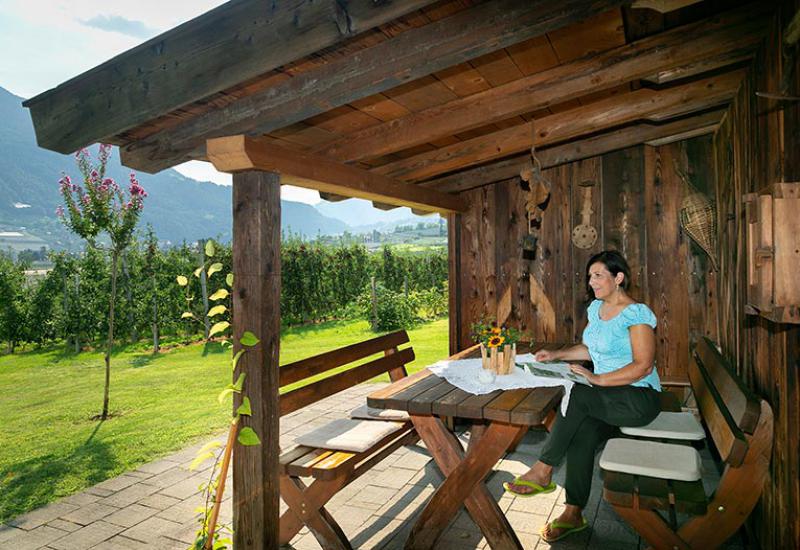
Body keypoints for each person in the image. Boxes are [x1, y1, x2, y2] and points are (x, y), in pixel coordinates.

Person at [503, 250, 662, 543]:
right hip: (608, 398)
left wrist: (597, 378)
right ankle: (573, 513)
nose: (591, 282)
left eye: (598, 275)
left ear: (619, 278)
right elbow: (592, 350)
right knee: (581, 431)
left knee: (578, 394)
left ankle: (542, 469)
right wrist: (556, 354)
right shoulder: (596, 310)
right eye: (590, 276)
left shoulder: (636, 314)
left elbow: (644, 366)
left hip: (639, 399)